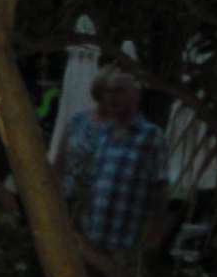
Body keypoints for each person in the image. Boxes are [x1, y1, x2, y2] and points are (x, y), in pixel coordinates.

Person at [59, 66, 167, 261]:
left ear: (136, 95)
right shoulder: (102, 133)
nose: (112, 97)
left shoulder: (151, 135)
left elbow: (159, 187)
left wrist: (154, 234)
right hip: (90, 239)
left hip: (125, 243)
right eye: (109, 91)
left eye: (120, 91)